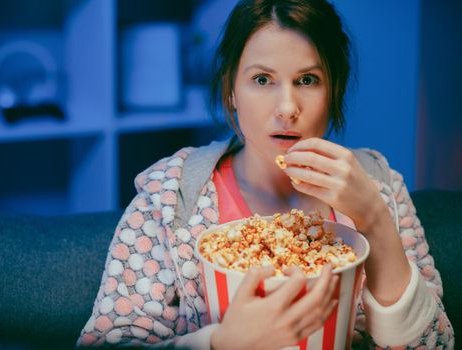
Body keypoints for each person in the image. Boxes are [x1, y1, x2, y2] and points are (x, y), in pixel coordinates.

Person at [77, 0, 454, 348]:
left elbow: (434, 343)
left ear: (334, 91)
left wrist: (373, 218)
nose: (287, 108)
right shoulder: (171, 195)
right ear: (231, 92)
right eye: (262, 80)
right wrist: (218, 343)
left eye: (308, 80)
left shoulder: (379, 183)